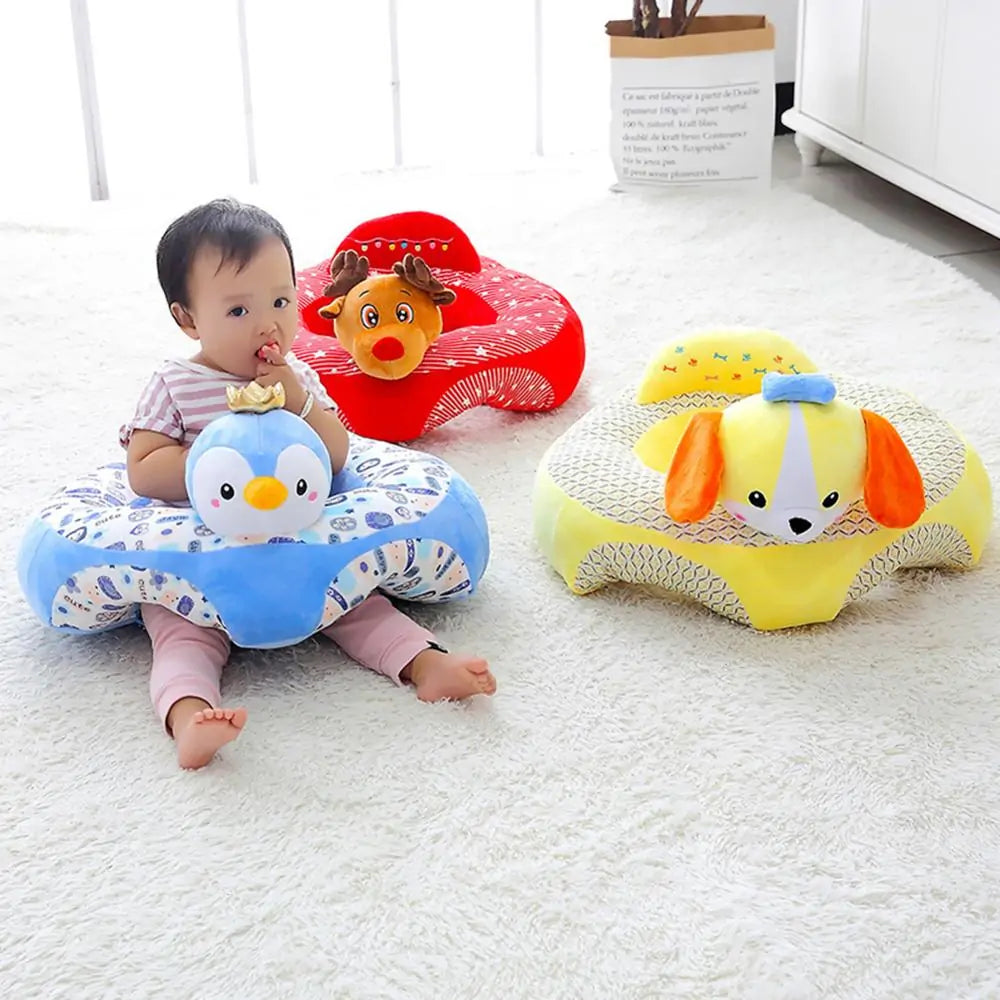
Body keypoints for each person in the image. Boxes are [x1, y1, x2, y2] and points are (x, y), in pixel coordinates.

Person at [121, 198, 495, 769]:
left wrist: (299, 401)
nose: (268, 323)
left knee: (359, 604)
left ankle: (425, 664)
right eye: (239, 309)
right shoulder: (175, 384)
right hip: (205, 561)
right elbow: (143, 470)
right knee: (178, 634)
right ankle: (190, 717)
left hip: (298, 549)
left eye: (280, 301)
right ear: (188, 318)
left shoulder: (298, 380)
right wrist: (208, 458)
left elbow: (338, 455)